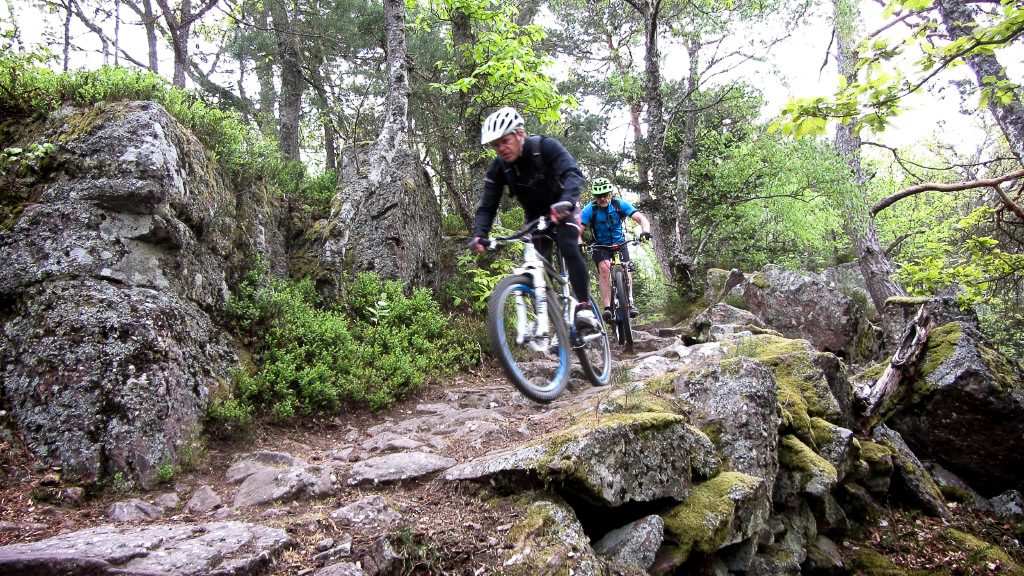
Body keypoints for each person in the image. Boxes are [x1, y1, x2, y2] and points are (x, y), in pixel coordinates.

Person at [468, 106, 599, 331]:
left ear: (520, 134)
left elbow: (573, 174)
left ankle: (585, 307)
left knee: (569, 245)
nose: (501, 148)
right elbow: (487, 206)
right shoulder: (499, 167)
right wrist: (480, 234)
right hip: (535, 217)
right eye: (496, 144)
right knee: (536, 263)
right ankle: (552, 315)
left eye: (505, 141)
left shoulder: (545, 147)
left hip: (563, 206)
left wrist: (566, 201)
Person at [579, 177, 652, 321]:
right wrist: (580, 242)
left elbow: (641, 219)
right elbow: (577, 232)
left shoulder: (619, 204)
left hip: (620, 243)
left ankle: (630, 302)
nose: (603, 198)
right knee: (605, 270)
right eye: (599, 196)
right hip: (600, 246)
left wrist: (645, 231)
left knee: (626, 268)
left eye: (605, 194)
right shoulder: (590, 209)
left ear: (610, 193)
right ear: (594, 196)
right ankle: (607, 308)